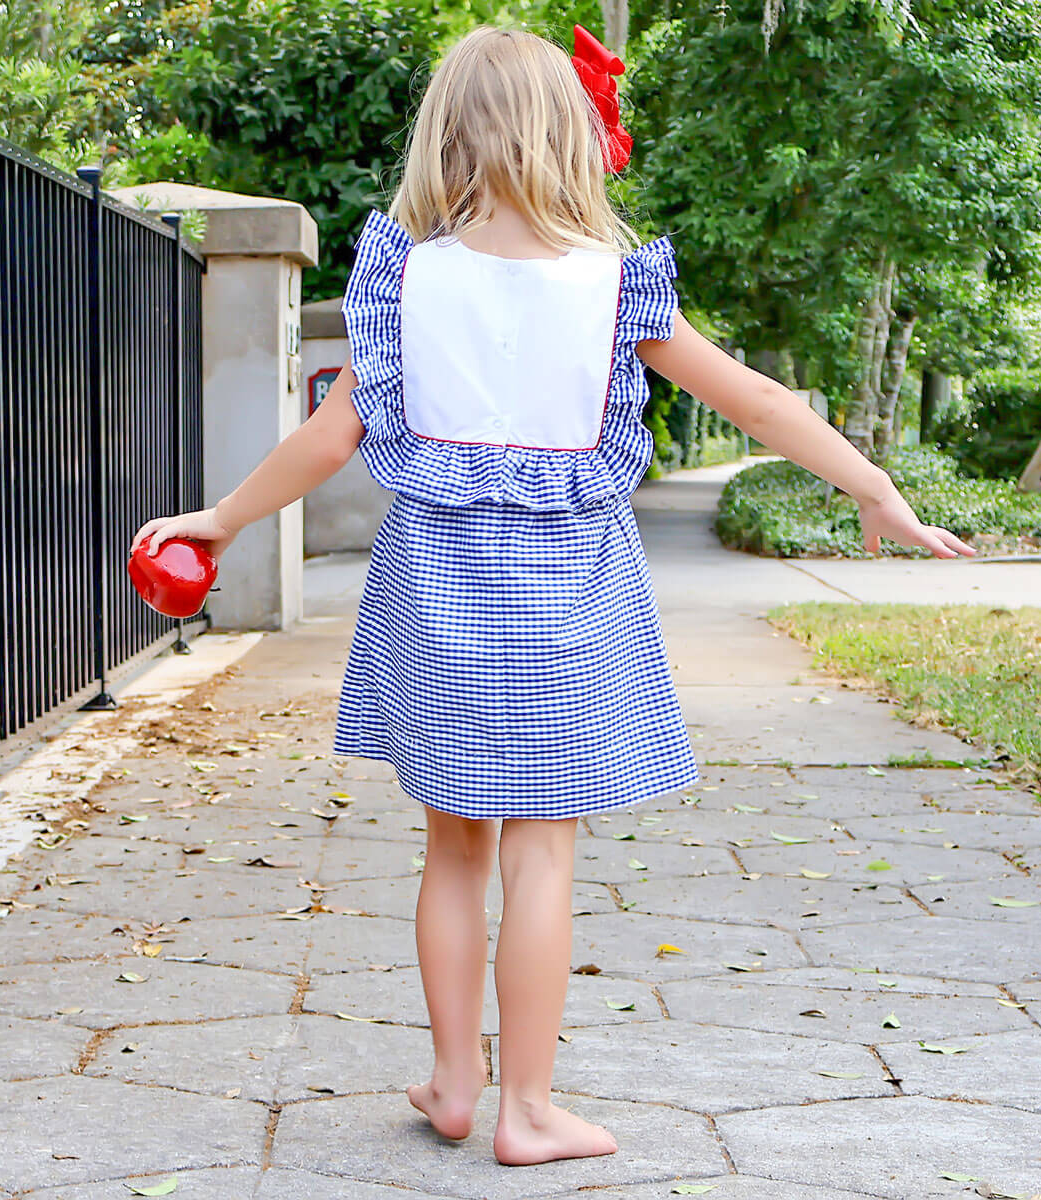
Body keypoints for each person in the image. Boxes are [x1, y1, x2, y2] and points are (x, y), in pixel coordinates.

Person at [132, 23, 975, 1168]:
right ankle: (529, 1111)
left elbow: (333, 436)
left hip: (435, 591)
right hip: (567, 600)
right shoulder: (619, 287)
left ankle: (450, 1081)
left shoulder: (405, 276)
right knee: (542, 853)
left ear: (448, 136)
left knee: (451, 851)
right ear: (570, 137)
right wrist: (878, 490)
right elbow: (763, 405)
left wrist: (219, 520)